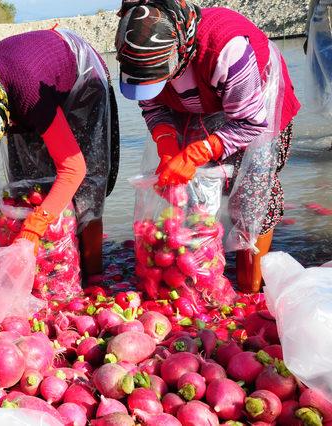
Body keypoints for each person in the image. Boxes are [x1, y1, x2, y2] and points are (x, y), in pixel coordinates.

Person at [115, 0, 300, 293]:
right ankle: (201, 275)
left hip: (254, 106)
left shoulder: (226, 49)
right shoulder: (140, 60)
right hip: (194, 107)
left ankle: (250, 287)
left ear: (182, 52)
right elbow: (153, 108)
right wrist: (167, 146)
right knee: (189, 197)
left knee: (251, 194)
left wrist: (197, 152)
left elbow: (251, 123)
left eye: (160, 78)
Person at [0, 29, 120, 279]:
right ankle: (54, 265)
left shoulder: (29, 95)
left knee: (88, 186)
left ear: (6, 118)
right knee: (27, 183)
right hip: (19, 80)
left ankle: (93, 272)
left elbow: (74, 168)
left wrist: (35, 227)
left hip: (79, 77)